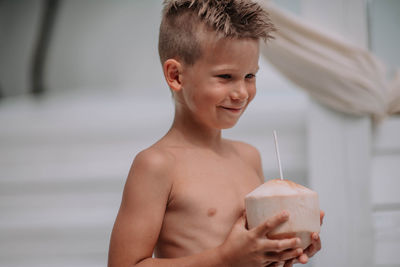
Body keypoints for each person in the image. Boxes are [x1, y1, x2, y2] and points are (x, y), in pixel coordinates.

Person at [108, 0, 323, 266]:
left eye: (249, 76)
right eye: (225, 77)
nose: (242, 93)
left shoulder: (249, 157)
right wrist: (225, 258)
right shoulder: (157, 165)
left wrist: (282, 249)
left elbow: (251, 254)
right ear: (175, 75)